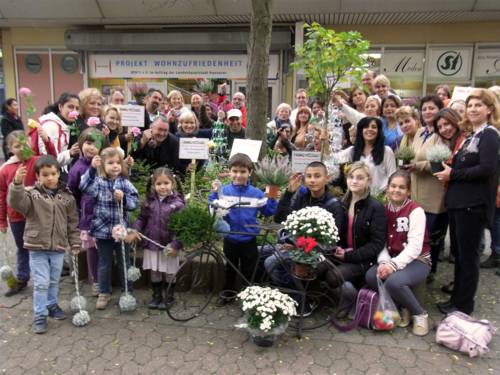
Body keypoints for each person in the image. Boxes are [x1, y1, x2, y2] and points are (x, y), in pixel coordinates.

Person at [435, 88, 500, 315]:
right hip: (459, 204)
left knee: (469, 257)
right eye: (470, 105)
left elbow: (487, 169)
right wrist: (450, 170)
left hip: (473, 205)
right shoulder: (472, 135)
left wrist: (453, 175)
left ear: (489, 109)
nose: (473, 109)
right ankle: (456, 299)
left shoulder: (490, 134)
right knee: (460, 256)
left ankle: (464, 305)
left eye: (478, 105)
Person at [7, 155, 80, 334]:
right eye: (45, 174)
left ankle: (51, 304)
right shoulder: (32, 195)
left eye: (53, 173)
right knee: (41, 283)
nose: (50, 177)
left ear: (58, 174)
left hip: (58, 247)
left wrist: (75, 243)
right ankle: (40, 314)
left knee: (54, 280)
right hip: (37, 246)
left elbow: (72, 222)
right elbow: (16, 203)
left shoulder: (67, 197)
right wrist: (17, 183)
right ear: (38, 176)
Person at [268, 162, 345, 314]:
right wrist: (289, 193)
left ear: (326, 178)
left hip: (318, 253)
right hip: (295, 246)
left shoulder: (333, 205)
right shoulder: (303, 197)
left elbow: (331, 241)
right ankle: (283, 296)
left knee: (271, 262)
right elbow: (280, 219)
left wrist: (298, 248)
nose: (312, 180)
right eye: (309, 176)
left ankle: (303, 301)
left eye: (317, 176)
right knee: (260, 251)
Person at [365, 170, 431, 336]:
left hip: (418, 260)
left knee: (394, 282)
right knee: (371, 276)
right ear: (387, 188)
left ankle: (420, 314)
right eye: (393, 186)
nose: (396, 190)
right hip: (392, 258)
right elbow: (381, 242)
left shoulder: (416, 211)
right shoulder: (383, 210)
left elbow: (415, 246)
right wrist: (384, 262)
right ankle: (402, 308)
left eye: (402, 187)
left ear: (408, 191)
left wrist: (392, 266)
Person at [209, 153, 277, 306]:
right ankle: (227, 293)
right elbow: (212, 205)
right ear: (229, 171)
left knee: (249, 269)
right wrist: (214, 192)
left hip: (248, 238)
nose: (238, 175)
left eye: (243, 172)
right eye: (235, 171)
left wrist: (272, 196)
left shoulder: (256, 193)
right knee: (230, 268)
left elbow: (268, 211)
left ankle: (249, 296)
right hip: (230, 238)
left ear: (250, 172)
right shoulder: (224, 191)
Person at [79, 147, 139, 310]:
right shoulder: (98, 181)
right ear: (102, 165)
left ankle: (127, 290)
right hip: (102, 231)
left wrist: (124, 199)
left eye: (118, 163)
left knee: (123, 262)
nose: (115, 166)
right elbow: (84, 187)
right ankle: (104, 292)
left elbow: (135, 202)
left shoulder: (125, 183)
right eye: (110, 163)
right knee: (104, 263)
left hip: (121, 232)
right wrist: (91, 169)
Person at [0, 130, 56, 297]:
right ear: (10, 149)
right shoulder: (5, 169)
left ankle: (48, 277)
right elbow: (2, 195)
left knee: (43, 245)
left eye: (25, 143)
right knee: (22, 248)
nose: (22, 147)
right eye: (17, 145)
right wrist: (2, 220)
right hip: (16, 217)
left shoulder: (37, 161)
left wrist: (46, 140)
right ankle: (22, 279)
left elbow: (52, 159)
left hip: (37, 215)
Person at [127, 168, 185, 310]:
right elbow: (142, 218)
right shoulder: (149, 201)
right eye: (159, 184)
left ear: (173, 183)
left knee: (170, 271)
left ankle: (169, 296)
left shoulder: (178, 204)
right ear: (154, 185)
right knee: (156, 271)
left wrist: (176, 245)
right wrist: (135, 230)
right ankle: (157, 296)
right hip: (152, 244)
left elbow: (183, 227)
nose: (163, 187)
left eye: (166, 183)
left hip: (169, 246)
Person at [326, 162, 387, 290]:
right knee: (314, 266)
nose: (354, 181)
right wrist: (336, 248)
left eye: (360, 178)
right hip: (340, 253)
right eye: (351, 177)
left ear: (368, 180)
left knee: (333, 276)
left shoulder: (375, 207)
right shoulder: (341, 203)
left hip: (363, 260)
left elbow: (376, 244)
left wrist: (348, 256)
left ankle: (352, 296)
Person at [408, 95, 446, 283]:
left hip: (434, 193)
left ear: (439, 110)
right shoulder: (420, 132)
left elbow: (439, 164)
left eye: (432, 108)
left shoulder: (443, 134)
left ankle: (429, 270)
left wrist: (418, 166)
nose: (428, 112)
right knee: (417, 233)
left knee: (432, 235)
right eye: (425, 109)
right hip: (416, 191)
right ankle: (418, 266)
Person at [67, 128, 107, 296]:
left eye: (95, 144)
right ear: (81, 144)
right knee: (92, 250)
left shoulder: (105, 163)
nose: (91, 148)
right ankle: (95, 280)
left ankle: (105, 278)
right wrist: (79, 211)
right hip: (89, 216)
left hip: (105, 215)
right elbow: (72, 192)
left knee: (104, 248)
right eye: (88, 143)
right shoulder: (77, 168)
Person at [332, 117, 396, 194]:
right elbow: (332, 159)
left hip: (380, 198)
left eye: (374, 127)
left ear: (379, 131)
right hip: (358, 197)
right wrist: (325, 141)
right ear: (361, 131)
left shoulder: (386, 151)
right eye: (366, 127)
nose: (370, 129)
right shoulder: (352, 151)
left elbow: (393, 177)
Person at [34, 93, 82, 169]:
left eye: (77, 108)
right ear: (60, 107)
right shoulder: (51, 125)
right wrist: (70, 153)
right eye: (70, 107)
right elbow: (48, 159)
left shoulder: (65, 124)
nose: (74, 111)